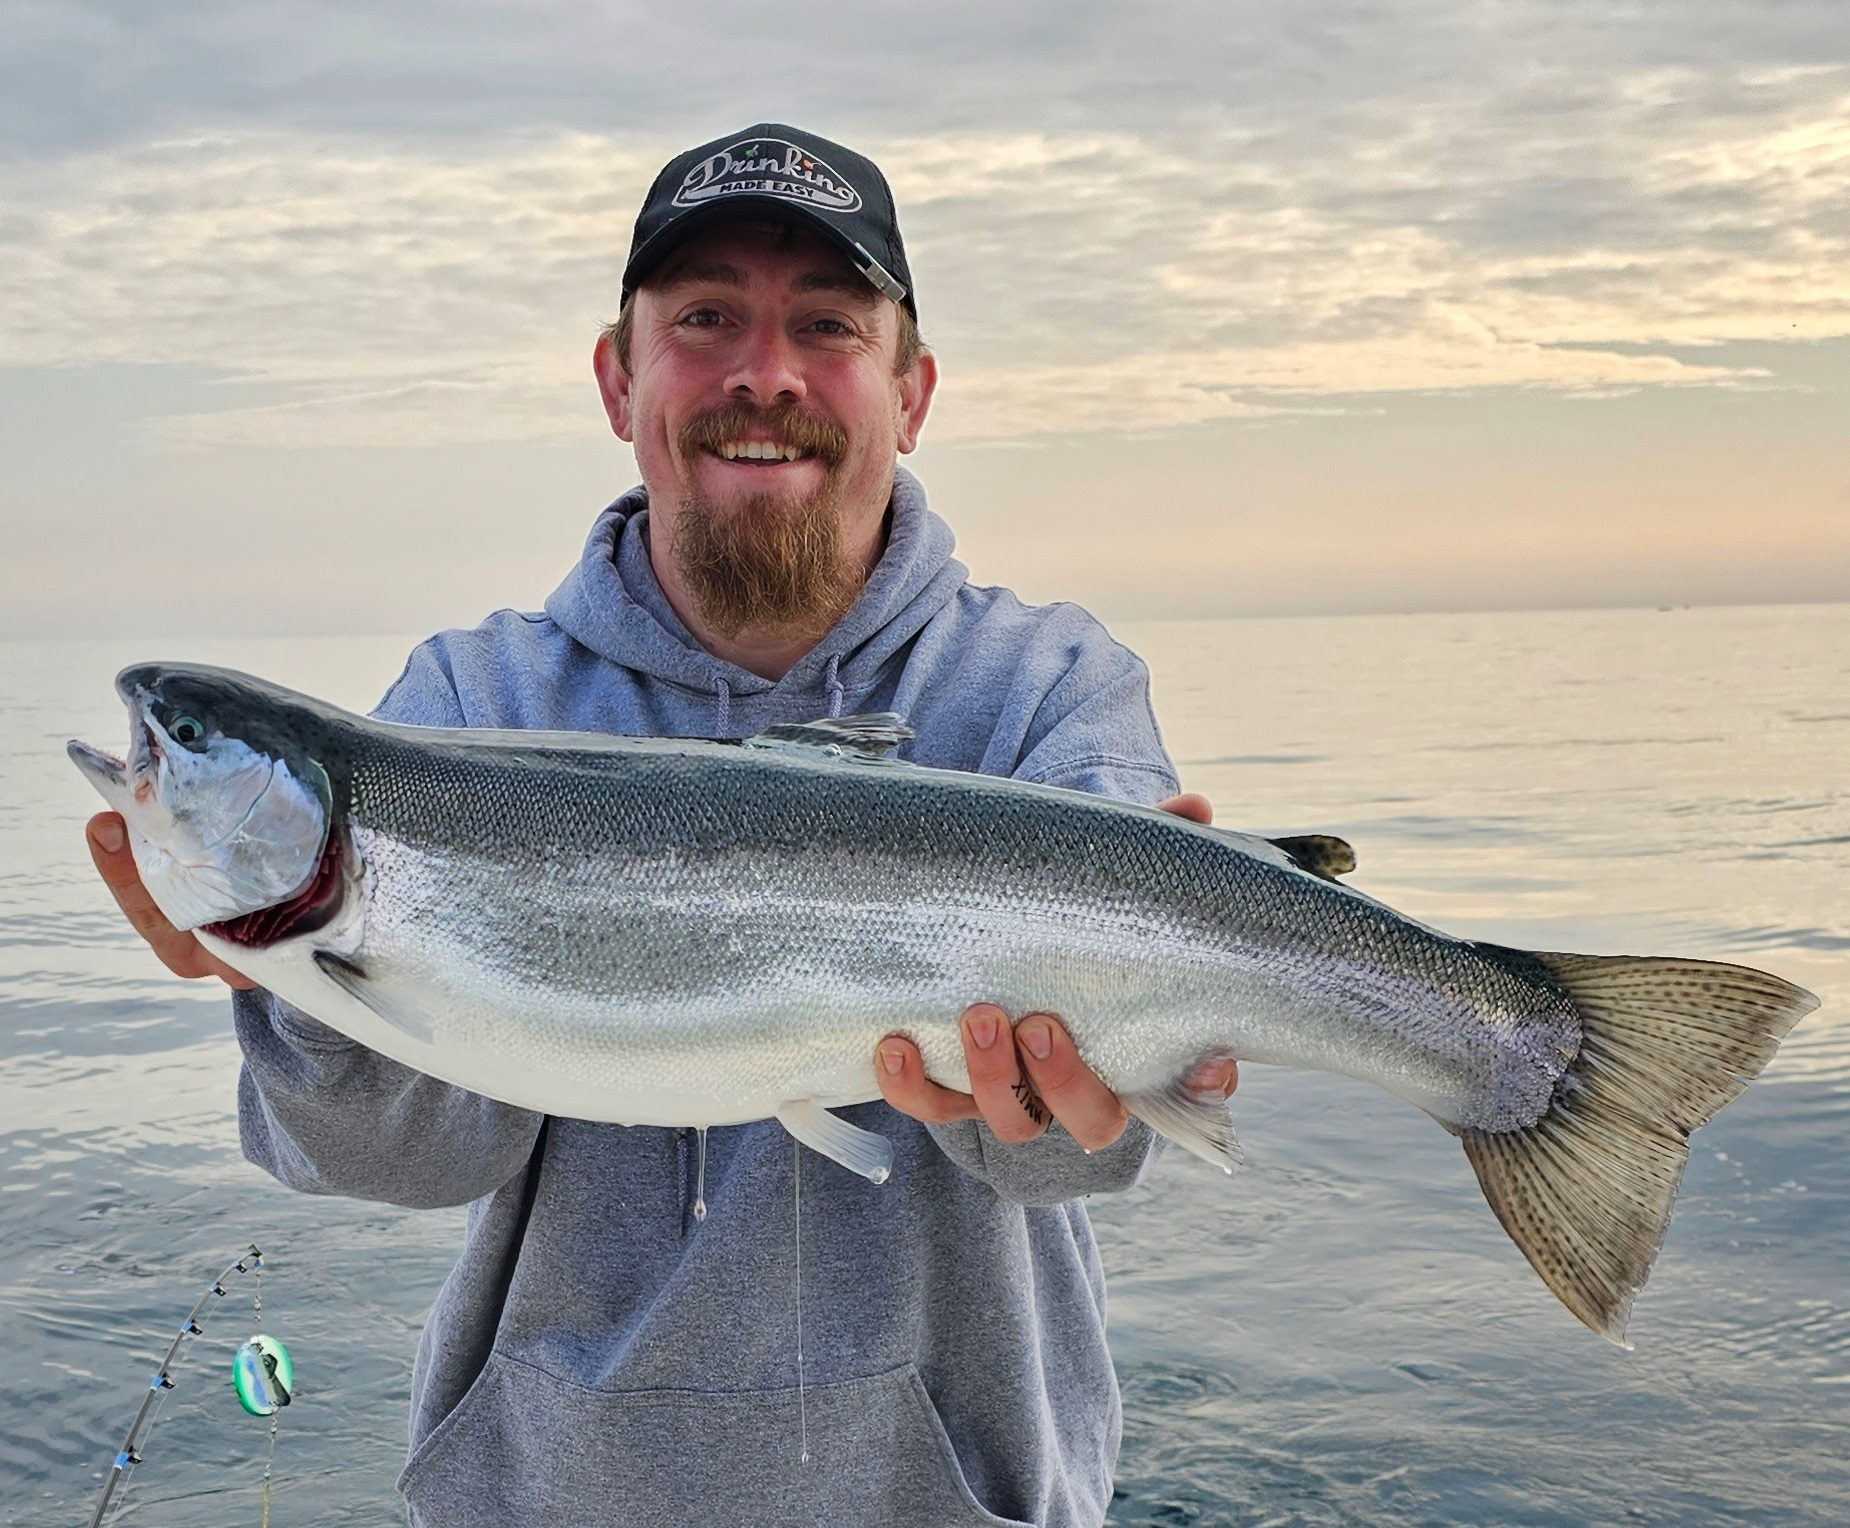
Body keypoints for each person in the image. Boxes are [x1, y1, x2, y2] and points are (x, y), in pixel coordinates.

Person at [83, 124, 1237, 1528]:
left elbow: (1077, 1157)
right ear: (618, 375)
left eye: (827, 323)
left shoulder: (1047, 691)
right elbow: (394, 1161)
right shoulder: (467, 704)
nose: (765, 373)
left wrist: (1114, 1051)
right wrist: (309, 990)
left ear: (911, 390)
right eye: (704, 319)